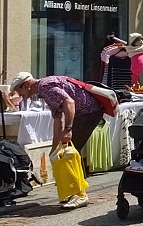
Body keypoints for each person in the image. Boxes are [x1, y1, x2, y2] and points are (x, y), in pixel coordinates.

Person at [10, 72, 105, 209]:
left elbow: (70, 103)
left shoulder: (45, 87)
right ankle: (75, 193)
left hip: (88, 112)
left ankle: (80, 195)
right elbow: (57, 119)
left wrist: (68, 129)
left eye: (19, 90)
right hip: (88, 112)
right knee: (65, 153)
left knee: (69, 154)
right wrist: (54, 148)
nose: (20, 95)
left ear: (26, 85)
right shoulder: (44, 89)